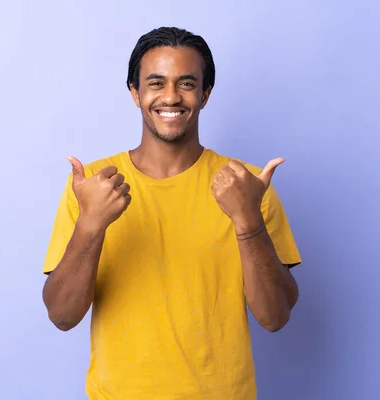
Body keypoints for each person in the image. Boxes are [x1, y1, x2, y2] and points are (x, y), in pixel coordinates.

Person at [41, 26, 302, 400]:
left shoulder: (247, 187)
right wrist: (90, 225)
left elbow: (275, 318)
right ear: (135, 93)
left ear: (205, 94)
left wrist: (248, 222)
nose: (170, 97)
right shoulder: (92, 189)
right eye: (156, 83)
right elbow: (62, 316)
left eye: (186, 83)